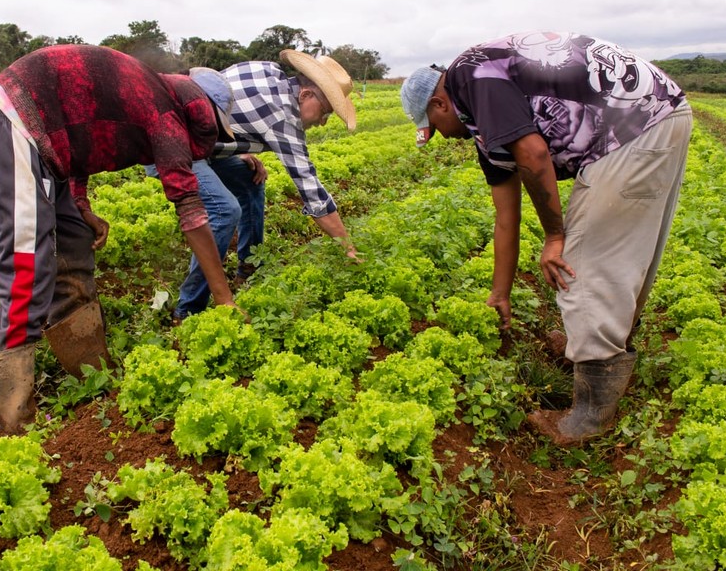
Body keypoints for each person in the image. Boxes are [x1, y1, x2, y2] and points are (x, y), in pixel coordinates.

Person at [401, 31, 692, 445]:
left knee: (583, 262)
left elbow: (534, 154)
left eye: (434, 127)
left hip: (632, 124)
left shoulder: (470, 76)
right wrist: (499, 293)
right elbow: (507, 216)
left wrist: (555, 236)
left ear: (439, 103)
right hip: (659, 112)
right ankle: (598, 346)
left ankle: (591, 414)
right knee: (622, 250)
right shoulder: (483, 121)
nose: (443, 136)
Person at [0, 44, 239, 433]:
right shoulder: (164, 111)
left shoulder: (151, 95)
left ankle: (90, 374)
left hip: (43, 134)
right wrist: (224, 298)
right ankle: (11, 421)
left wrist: (80, 204)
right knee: (27, 263)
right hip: (13, 119)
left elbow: (82, 133)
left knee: (75, 241)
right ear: (202, 112)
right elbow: (190, 209)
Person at [168, 49, 361, 320]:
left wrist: (237, 150)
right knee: (225, 210)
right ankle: (188, 310)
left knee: (250, 180)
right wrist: (348, 248)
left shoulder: (268, 71)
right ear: (306, 95)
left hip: (202, 141)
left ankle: (249, 267)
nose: (322, 122)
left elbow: (222, 104)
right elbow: (312, 192)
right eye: (325, 112)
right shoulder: (283, 118)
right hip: (171, 144)